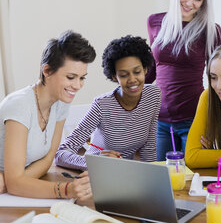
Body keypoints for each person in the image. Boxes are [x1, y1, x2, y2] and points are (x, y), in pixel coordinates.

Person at [0, 30, 97, 223]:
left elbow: (47, 160)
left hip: (11, 196)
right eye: (71, 77)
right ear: (47, 71)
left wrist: (12, 181)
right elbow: (17, 182)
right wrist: (66, 190)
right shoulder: (20, 105)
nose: (78, 85)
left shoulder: (61, 102)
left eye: (82, 78)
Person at [145, 0, 221, 160]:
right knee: (161, 177)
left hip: (193, 117)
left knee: (190, 180)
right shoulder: (155, 22)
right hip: (159, 117)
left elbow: (216, 79)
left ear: (204, 2)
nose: (190, 3)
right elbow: (152, 69)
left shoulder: (210, 31)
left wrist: (214, 123)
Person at [55, 35, 161, 170]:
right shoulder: (102, 105)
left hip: (124, 173)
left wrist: (150, 176)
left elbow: (149, 148)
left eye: (137, 72)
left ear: (145, 69)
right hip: (96, 173)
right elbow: (61, 153)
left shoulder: (153, 95)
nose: (132, 79)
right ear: (114, 76)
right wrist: (97, 161)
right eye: (123, 75)